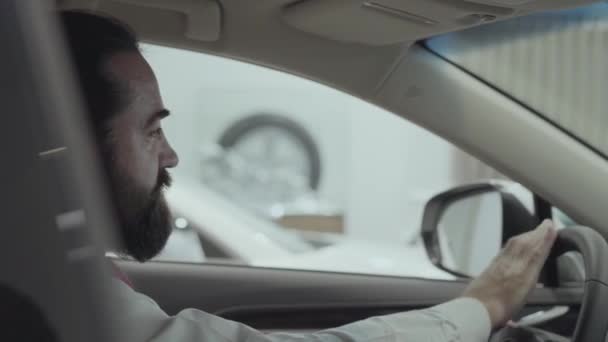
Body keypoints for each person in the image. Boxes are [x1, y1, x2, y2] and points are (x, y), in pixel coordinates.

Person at [60, 10, 558, 342]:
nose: (170, 158)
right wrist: (480, 306)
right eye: (150, 133)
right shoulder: (52, 299)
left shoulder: (60, 282)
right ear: (65, 152)